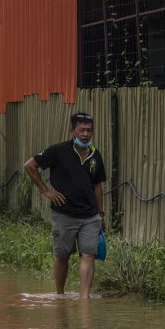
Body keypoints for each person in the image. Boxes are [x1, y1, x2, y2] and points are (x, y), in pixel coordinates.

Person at [23, 112, 107, 298]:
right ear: (72, 131)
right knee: (62, 256)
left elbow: (97, 186)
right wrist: (47, 191)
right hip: (64, 214)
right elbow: (29, 166)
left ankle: (84, 298)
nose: (85, 134)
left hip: (90, 216)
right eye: (81, 130)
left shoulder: (95, 156)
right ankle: (60, 295)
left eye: (89, 131)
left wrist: (101, 214)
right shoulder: (58, 151)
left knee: (88, 255)